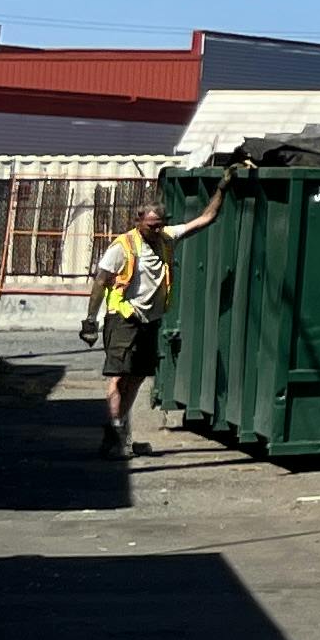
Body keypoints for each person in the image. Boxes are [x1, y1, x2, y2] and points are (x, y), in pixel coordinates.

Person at [81, 175, 226, 458]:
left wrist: (222, 189)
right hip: (123, 318)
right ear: (138, 222)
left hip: (149, 321)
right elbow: (100, 281)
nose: (156, 230)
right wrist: (90, 321)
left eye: (160, 225)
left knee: (136, 378)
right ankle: (116, 435)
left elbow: (205, 219)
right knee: (118, 377)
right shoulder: (122, 247)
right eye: (151, 226)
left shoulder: (167, 238)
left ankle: (118, 434)